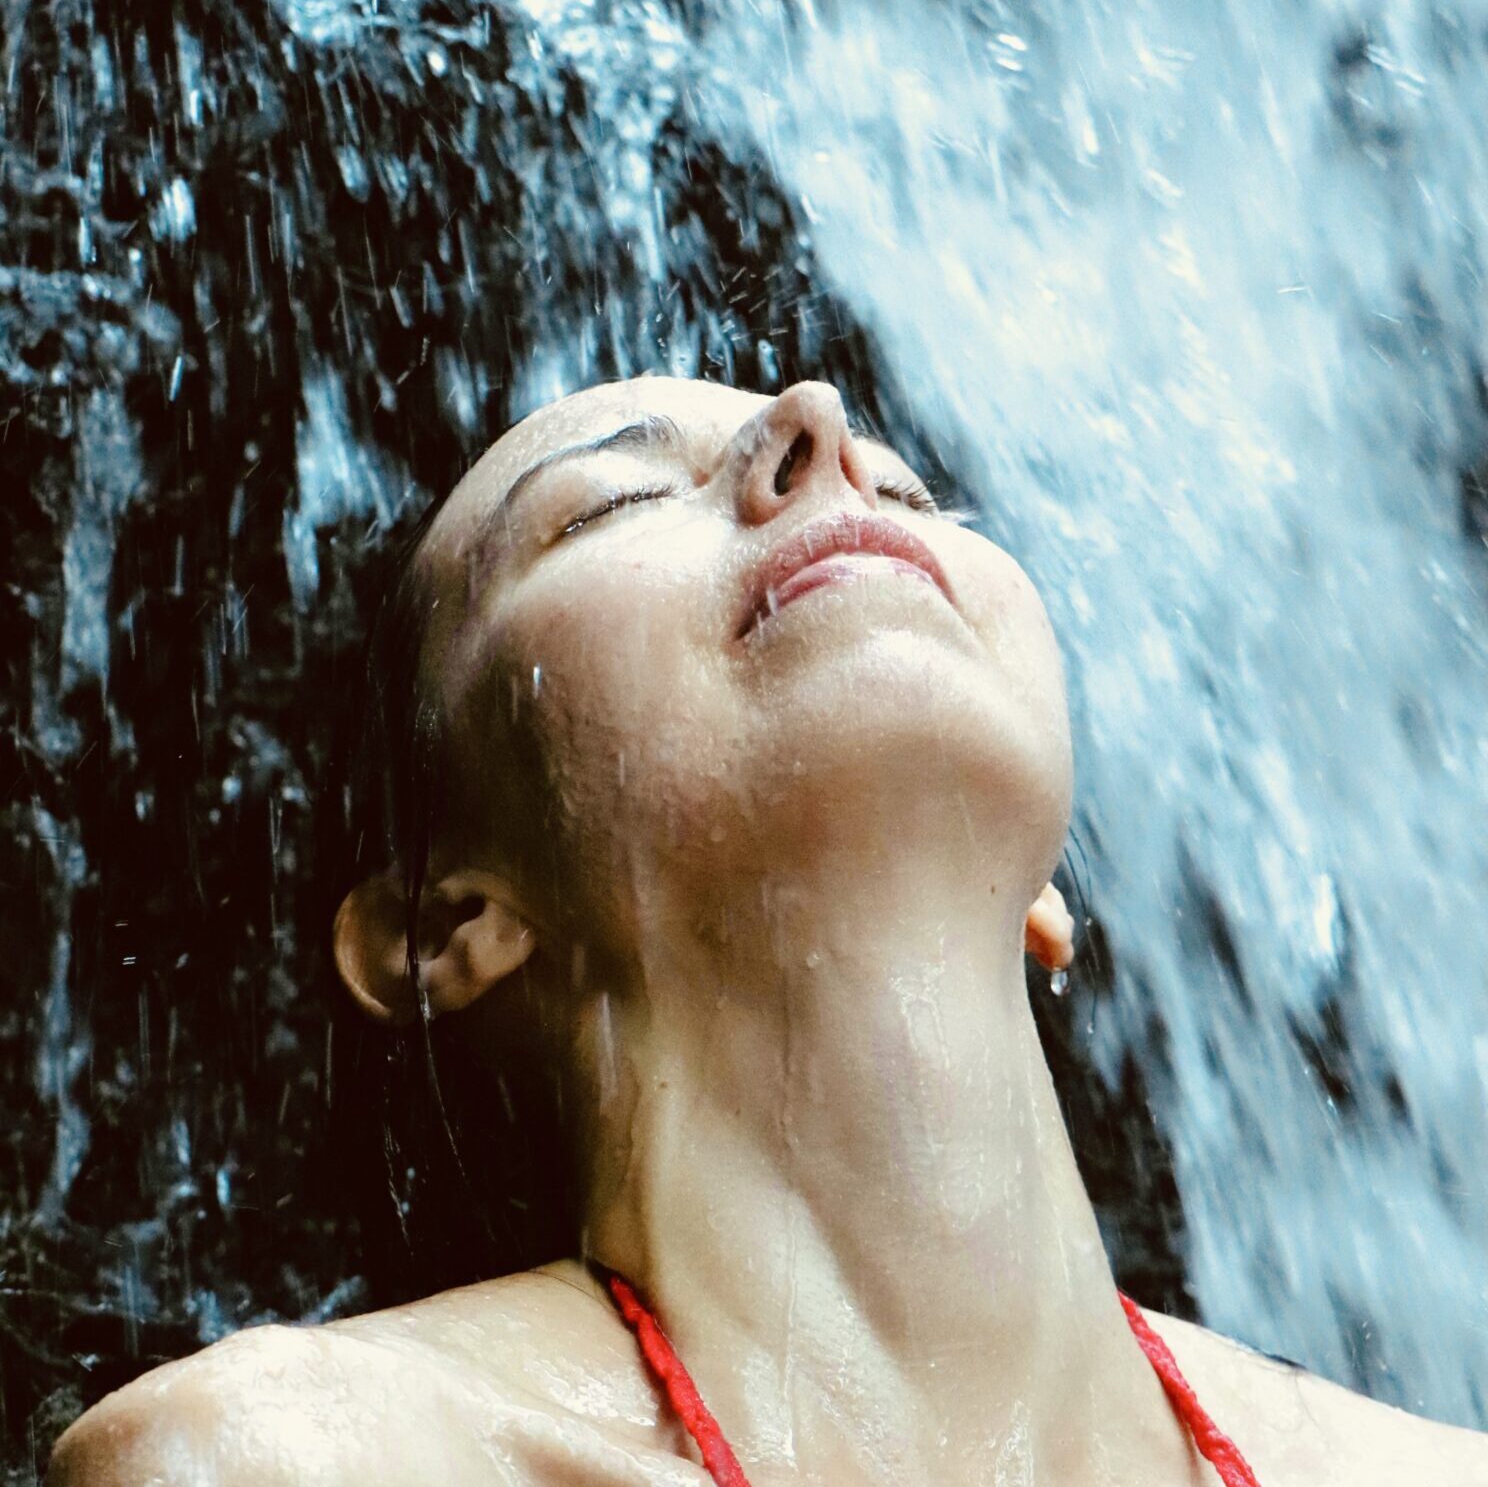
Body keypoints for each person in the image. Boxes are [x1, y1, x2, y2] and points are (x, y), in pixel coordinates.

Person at [49, 378, 1488, 1485]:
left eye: (915, 492)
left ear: (1051, 887)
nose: (824, 430)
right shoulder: (290, 1464)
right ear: (446, 927)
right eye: (609, 504)